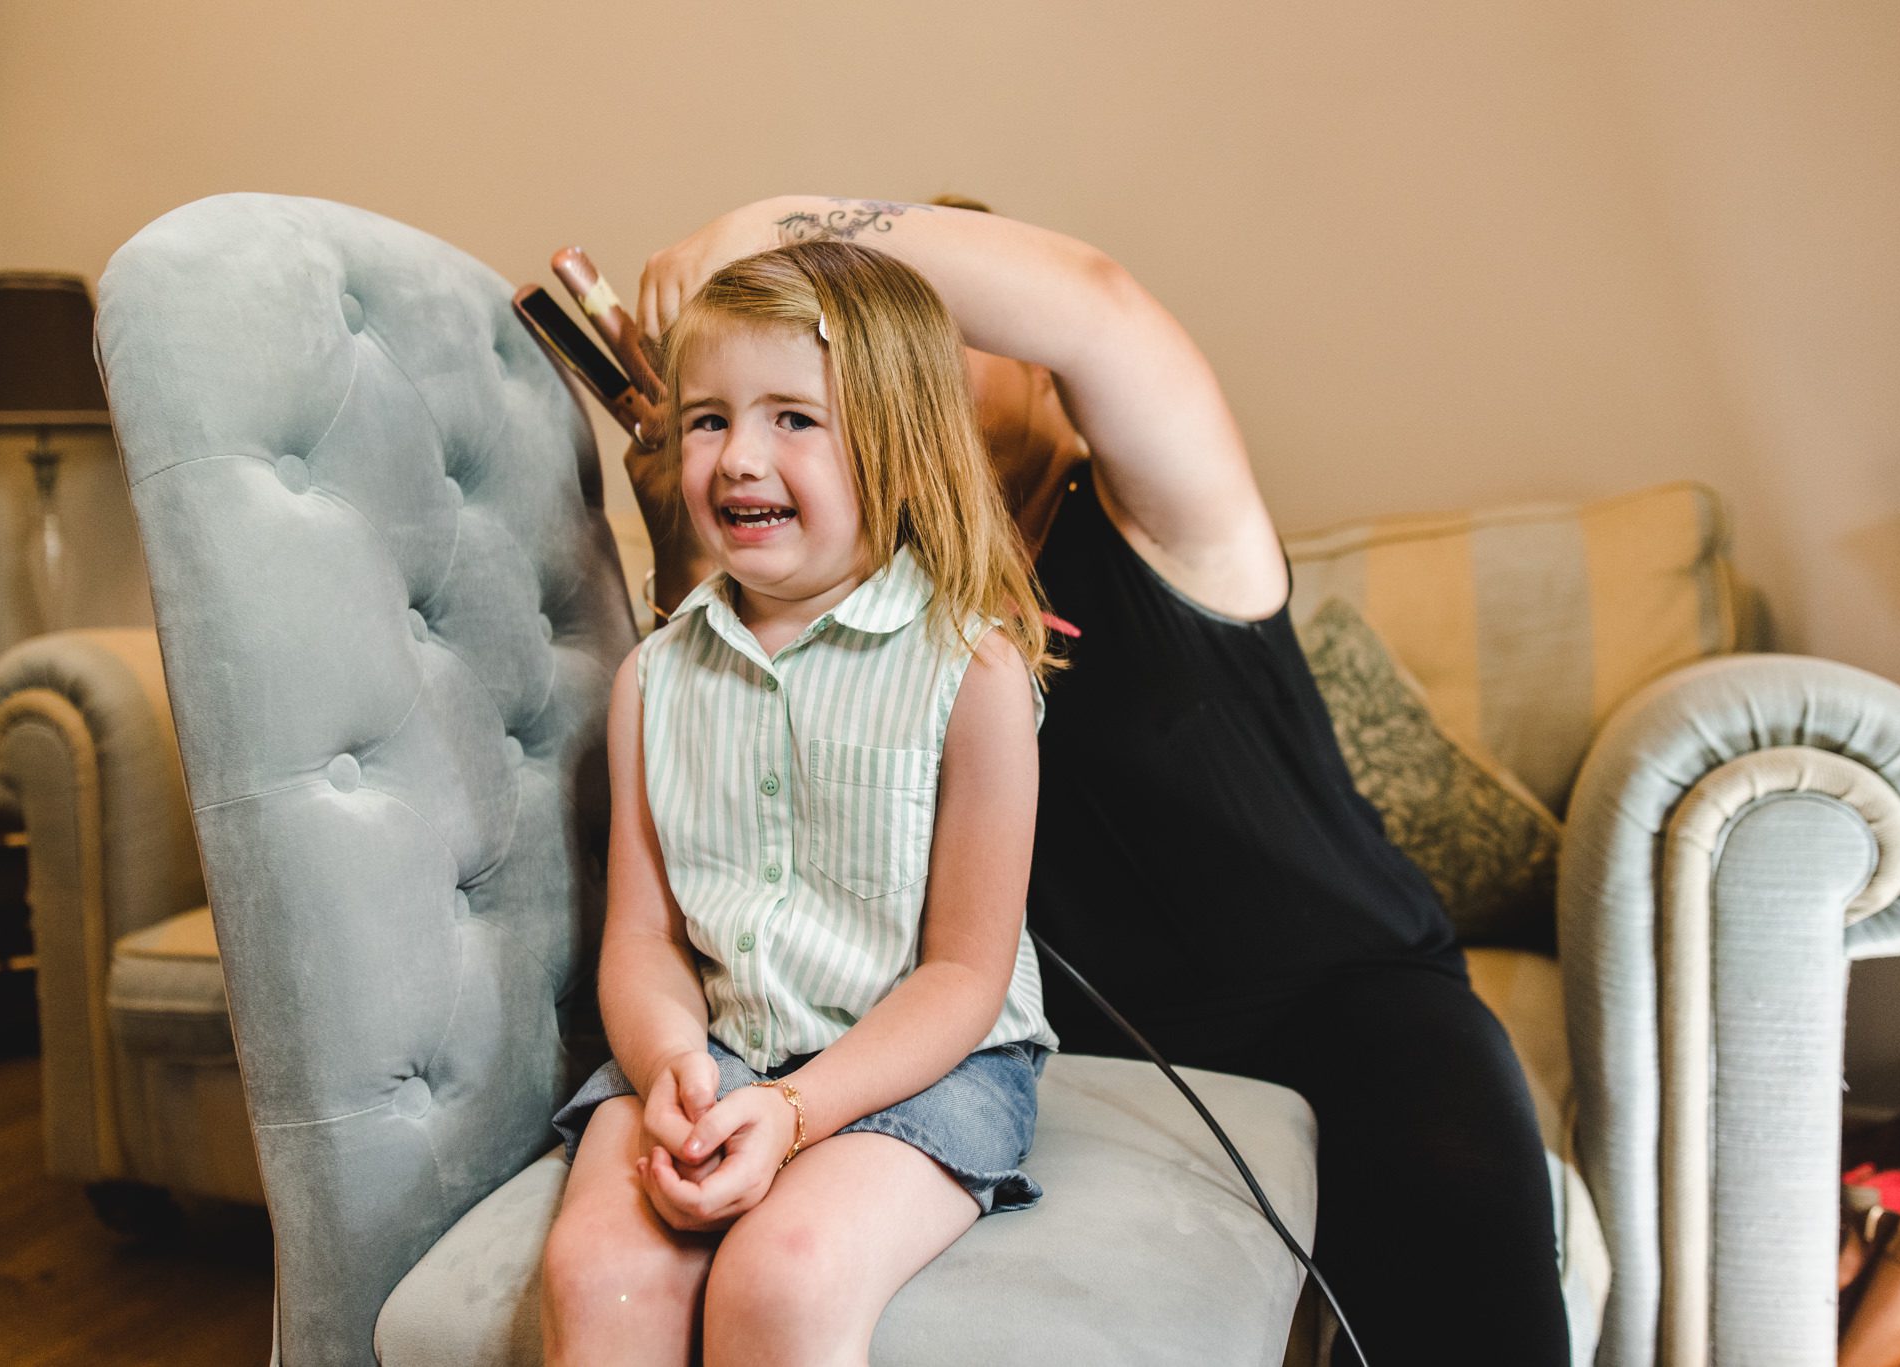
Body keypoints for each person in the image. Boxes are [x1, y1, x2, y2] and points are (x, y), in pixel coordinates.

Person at [619, 195, 1573, 1366]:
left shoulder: (1161, 522)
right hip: (1081, 1051)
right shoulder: (834, 603)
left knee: (1454, 1213)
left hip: (1352, 998)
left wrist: (777, 222)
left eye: (961, 325)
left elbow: (1099, 308)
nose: (937, 367)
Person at [539, 238, 1061, 1367]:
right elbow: (643, 936)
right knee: (598, 1271)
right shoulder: (653, 682)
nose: (737, 457)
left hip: (924, 1069)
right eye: (708, 418)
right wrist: (671, 1056)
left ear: (904, 449)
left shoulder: (969, 674)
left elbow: (964, 975)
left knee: (782, 1275)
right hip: (723, 1044)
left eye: (793, 418)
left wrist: (794, 1111)